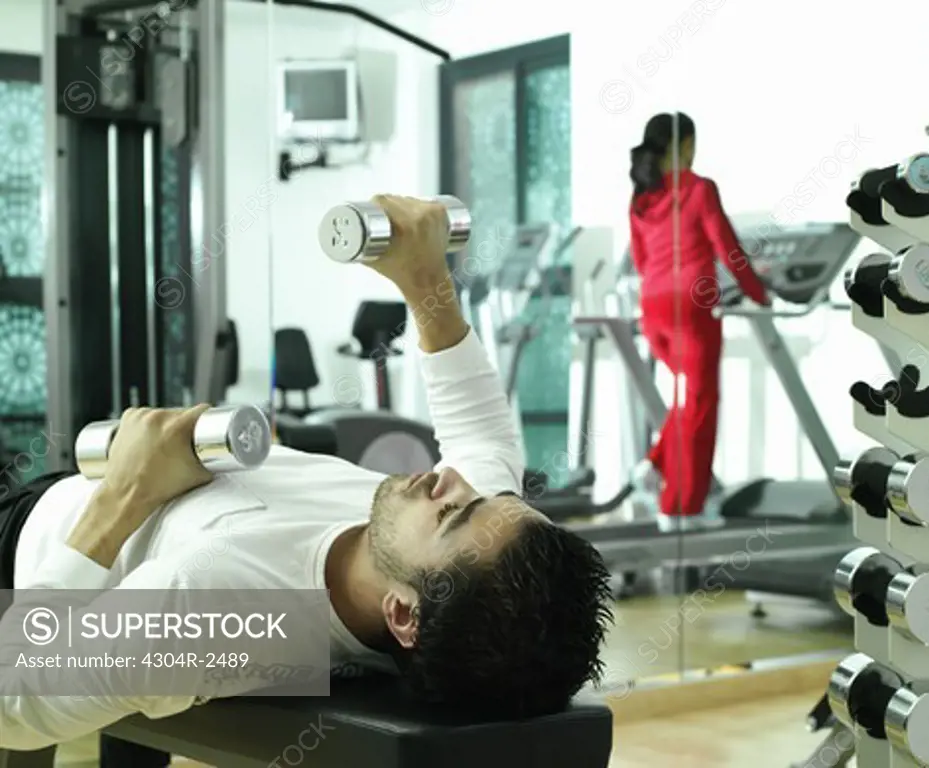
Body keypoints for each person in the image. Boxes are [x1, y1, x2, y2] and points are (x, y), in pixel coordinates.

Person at [0, 195, 614, 756]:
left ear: (404, 615)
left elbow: (12, 704)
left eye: (454, 513)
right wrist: (424, 274)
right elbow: (481, 435)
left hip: (24, 554)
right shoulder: (457, 542)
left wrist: (125, 494)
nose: (447, 480)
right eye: (485, 494)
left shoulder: (234, 611)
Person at [629, 113, 770, 525]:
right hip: (693, 305)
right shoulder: (700, 188)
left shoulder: (641, 197)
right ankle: (682, 508)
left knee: (686, 400)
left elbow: (641, 260)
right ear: (687, 144)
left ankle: (656, 465)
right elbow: (728, 249)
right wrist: (759, 293)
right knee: (702, 404)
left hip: (653, 306)